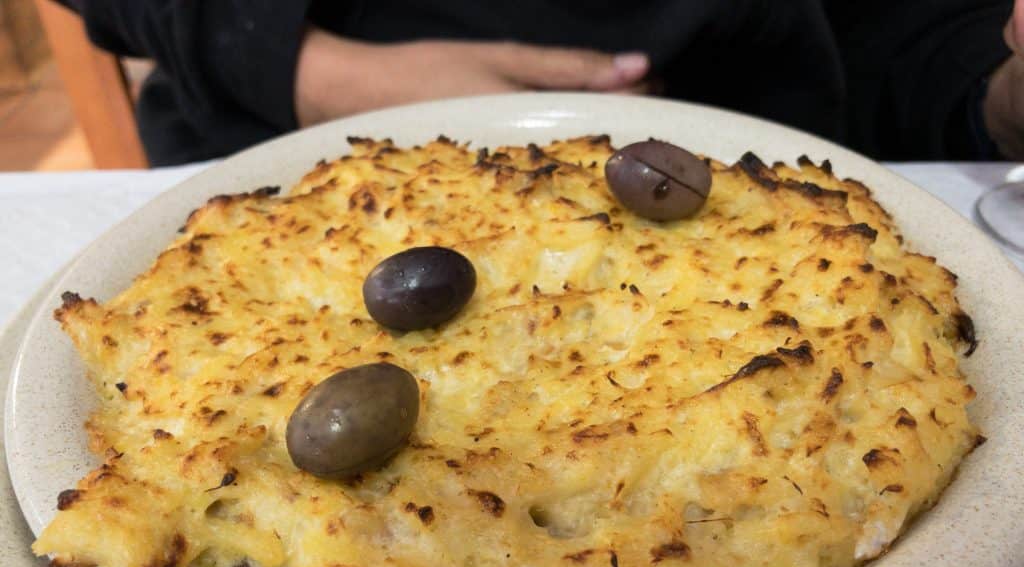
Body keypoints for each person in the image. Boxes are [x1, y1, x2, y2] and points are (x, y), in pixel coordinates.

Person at [56, 0, 1022, 167]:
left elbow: (917, 36)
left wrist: (998, 95)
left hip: (784, 200)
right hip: (274, 168)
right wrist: (307, 69)